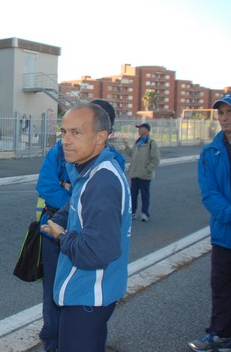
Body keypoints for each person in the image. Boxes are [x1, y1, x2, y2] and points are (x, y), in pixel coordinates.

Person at [35, 99, 125, 352]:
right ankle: (54, 340)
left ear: (102, 135)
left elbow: (98, 248)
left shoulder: (105, 171)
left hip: (87, 277)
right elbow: (47, 185)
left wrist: (68, 224)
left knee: (83, 326)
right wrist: (71, 211)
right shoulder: (70, 157)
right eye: (64, 131)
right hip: (59, 233)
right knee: (55, 291)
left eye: (76, 131)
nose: (66, 139)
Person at [188, 93, 231, 352]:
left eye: (230, 111)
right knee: (222, 290)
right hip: (224, 236)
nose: (224, 118)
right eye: (220, 113)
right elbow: (209, 194)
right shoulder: (210, 152)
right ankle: (220, 336)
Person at [124, 122, 160, 221]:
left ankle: (145, 213)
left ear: (147, 130)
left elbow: (155, 159)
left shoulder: (152, 143)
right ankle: (133, 212)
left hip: (145, 175)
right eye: (139, 128)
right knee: (133, 194)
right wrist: (126, 147)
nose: (139, 130)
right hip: (135, 173)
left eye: (141, 128)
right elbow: (133, 155)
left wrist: (148, 170)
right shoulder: (137, 142)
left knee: (145, 195)